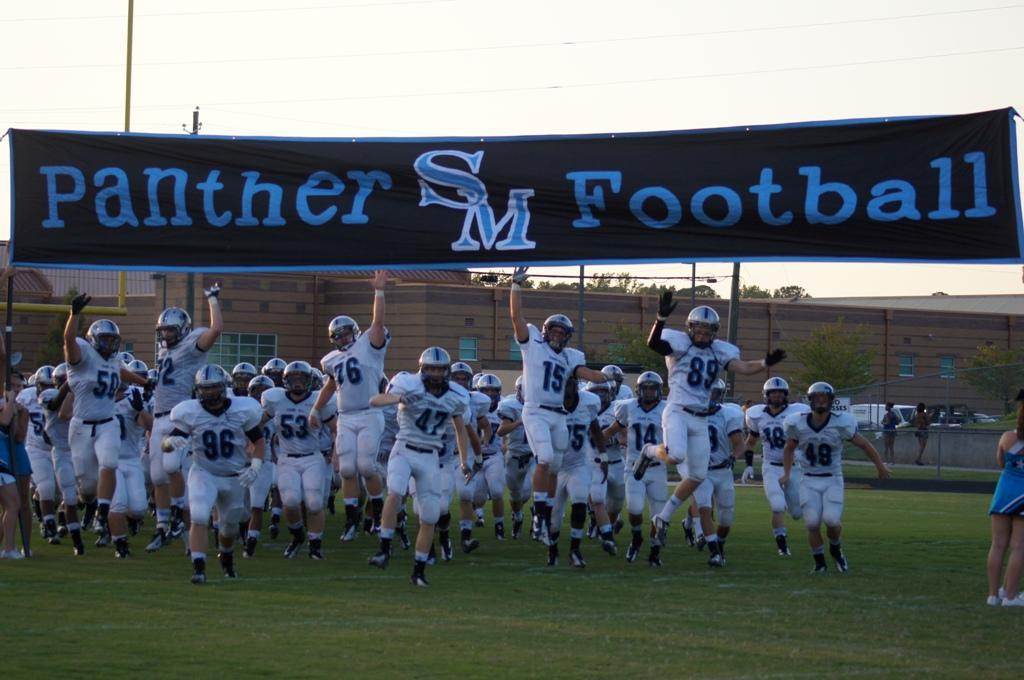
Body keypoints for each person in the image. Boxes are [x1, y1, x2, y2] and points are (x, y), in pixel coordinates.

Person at [647, 292, 785, 541]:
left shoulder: (720, 351)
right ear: (690, 329)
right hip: (677, 410)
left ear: (714, 332)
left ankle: (664, 516)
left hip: (700, 418)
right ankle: (649, 451)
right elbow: (654, 345)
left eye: (707, 331)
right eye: (698, 330)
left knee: (698, 476)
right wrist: (661, 318)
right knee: (676, 454)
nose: (702, 335)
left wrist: (765, 362)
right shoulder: (679, 343)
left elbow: (743, 367)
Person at [508, 266, 609, 544]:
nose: (557, 334)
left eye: (562, 331)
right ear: (546, 331)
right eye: (553, 329)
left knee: (554, 466)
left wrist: (602, 375)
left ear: (567, 335)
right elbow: (516, 317)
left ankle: (545, 509)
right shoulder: (533, 345)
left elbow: (583, 373)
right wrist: (515, 286)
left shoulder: (570, 357)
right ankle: (540, 514)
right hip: (536, 410)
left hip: (559, 415)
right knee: (545, 459)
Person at [367, 347, 473, 587]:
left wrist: (465, 461)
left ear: (447, 371)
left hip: (431, 457)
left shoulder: (457, 395)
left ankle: (419, 570)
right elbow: (375, 400)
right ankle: (384, 547)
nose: (435, 374)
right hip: (404, 448)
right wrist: (400, 398)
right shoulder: (407, 383)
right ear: (422, 369)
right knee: (395, 490)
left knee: (430, 516)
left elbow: (460, 430)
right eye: (431, 369)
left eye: (440, 369)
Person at [164, 364, 265, 585]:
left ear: (224, 387)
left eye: (213, 388)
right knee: (199, 515)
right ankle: (198, 568)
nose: (209, 392)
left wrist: (255, 467)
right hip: (204, 472)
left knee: (228, 528)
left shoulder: (242, 409)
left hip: (234, 477)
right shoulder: (190, 412)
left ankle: (226, 559)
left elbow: (258, 441)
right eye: (205, 388)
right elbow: (166, 444)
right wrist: (169, 442)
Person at [64, 294, 149, 547]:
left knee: (109, 462)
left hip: (107, 422)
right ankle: (89, 502)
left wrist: (145, 382)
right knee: (88, 486)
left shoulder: (113, 360)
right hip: (81, 425)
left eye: (113, 339)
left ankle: (102, 513)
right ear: (93, 339)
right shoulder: (83, 357)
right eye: (106, 338)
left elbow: (119, 371)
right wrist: (74, 315)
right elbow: (68, 341)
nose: (110, 343)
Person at [310, 270, 390, 541]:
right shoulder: (331, 359)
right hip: (345, 417)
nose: (344, 339)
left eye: (346, 334)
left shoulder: (370, 345)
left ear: (354, 332)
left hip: (369, 414)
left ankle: (378, 512)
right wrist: (315, 409)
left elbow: (378, 322)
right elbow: (331, 385)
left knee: (366, 467)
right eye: (339, 336)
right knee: (345, 470)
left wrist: (378, 291)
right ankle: (352, 519)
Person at [781, 382, 890, 574]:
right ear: (811, 400)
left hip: (832, 478)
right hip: (809, 479)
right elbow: (789, 448)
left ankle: (835, 547)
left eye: (825, 398)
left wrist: (880, 466)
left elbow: (864, 444)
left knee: (831, 520)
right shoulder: (797, 422)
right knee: (812, 523)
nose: (821, 401)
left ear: (831, 401)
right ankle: (820, 562)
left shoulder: (840, 422)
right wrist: (787, 473)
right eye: (817, 398)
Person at [146, 284, 224, 553]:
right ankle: (163, 526)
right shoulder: (164, 350)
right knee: (157, 476)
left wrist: (212, 300)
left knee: (171, 468)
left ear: (183, 329)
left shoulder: (192, 345)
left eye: (170, 329)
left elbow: (216, 330)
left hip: (181, 416)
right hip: (158, 417)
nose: (165, 334)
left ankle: (180, 517)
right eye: (163, 330)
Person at [261, 361, 332, 560]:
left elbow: (336, 428)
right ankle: (298, 534)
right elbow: (259, 423)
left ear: (309, 381)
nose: (298, 383)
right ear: (286, 381)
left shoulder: (318, 401)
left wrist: (336, 454)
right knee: (290, 501)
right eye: (294, 379)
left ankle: (315, 545)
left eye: (302, 379)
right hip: (286, 459)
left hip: (312, 458)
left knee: (315, 503)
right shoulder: (276, 400)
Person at [601, 372, 668, 565]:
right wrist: (597, 441)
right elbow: (612, 430)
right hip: (633, 467)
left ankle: (655, 550)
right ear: (639, 389)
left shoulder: (666, 410)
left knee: (659, 515)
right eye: (645, 388)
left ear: (658, 390)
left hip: (657, 468)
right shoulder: (628, 407)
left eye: (652, 388)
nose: (648, 392)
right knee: (635, 508)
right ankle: (637, 537)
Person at [743, 376, 810, 557]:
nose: (777, 397)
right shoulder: (757, 415)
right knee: (777, 505)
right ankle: (782, 545)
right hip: (770, 467)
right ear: (766, 395)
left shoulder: (797, 413)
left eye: (781, 393)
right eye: (774, 393)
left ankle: (788, 502)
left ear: (786, 395)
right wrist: (749, 465)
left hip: (794, 467)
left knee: (796, 513)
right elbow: (750, 442)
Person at [547, 377, 604, 568]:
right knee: (554, 517)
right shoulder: (549, 405)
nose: (567, 388)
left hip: (579, 465)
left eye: (570, 384)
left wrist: (603, 456)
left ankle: (574, 549)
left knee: (580, 500)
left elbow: (596, 431)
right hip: (555, 468)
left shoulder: (588, 403)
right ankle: (553, 550)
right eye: (564, 384)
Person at [697, 379, 745, 567]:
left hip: (723, 471)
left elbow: (739, 444)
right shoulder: (691, 413)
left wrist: (733, 457)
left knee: (726, 517)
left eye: (714, 393)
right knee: (704, 508)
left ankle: (720, 545)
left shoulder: (728, 415)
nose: (709, 397)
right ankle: (714, 552)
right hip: (701, 472)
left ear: (720, 395)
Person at [986, 389, 1024, 606]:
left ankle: (993, 595)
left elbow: (1001, 463)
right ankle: (1010, 596)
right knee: (1018, 547)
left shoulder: (1007, 437)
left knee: (998, 544)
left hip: (1004, 492)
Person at [497, 376, 534, 540]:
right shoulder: (510, 405)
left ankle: (538, 519)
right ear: (517, 390)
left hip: (534, 455)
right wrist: (520, 422)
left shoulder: (540, 406)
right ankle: (518, 516)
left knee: (536, 489)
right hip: (514, 455)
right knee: (516, 494)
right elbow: (501, 431)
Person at [0, 389, 23, 559]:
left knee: (9, 506)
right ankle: (9, 548)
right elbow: (3, 419)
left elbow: (12, 431)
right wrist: (11, 400)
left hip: (4, 461)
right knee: (13, 504)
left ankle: (8, 547)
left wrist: (14, 412)